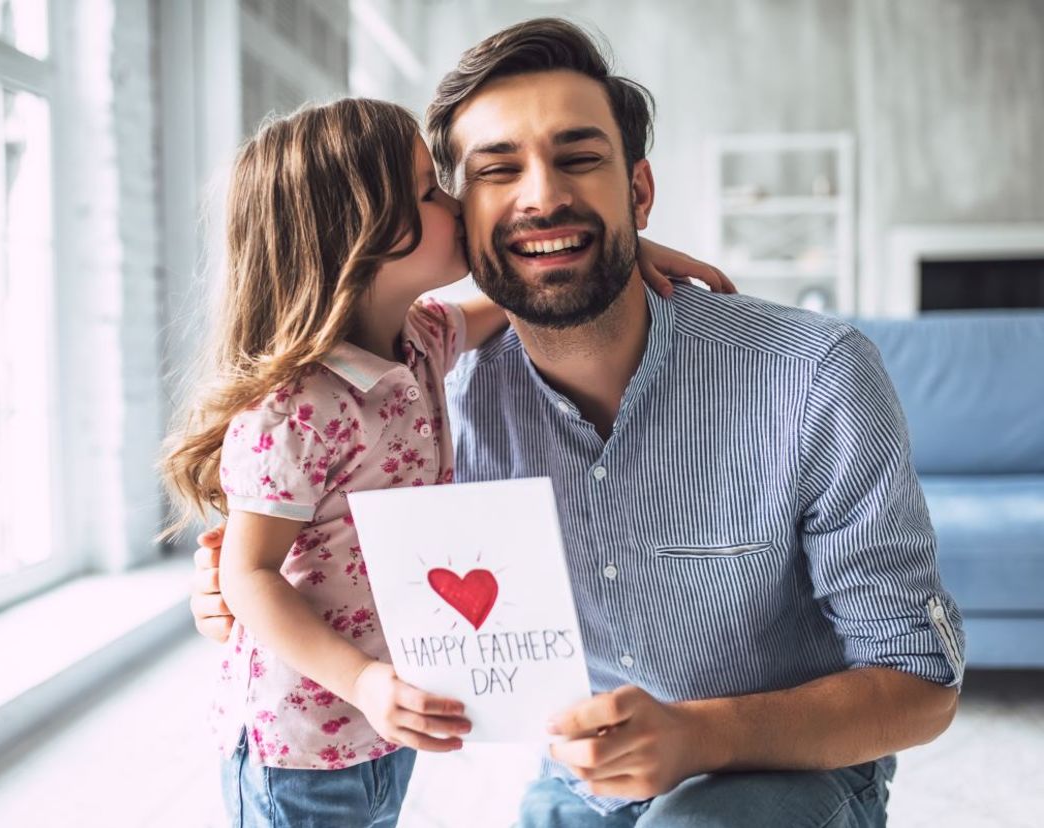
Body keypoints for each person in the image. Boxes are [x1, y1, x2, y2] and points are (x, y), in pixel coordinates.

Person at [163, 96, 732, 828]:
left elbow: (517, 300)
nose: (458, 201)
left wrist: (614, 255)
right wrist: (364, 682)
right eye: (431, 191)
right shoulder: (294, 410)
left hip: (384, 720)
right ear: (361, 235)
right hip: (298, 740)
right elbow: (247, 575)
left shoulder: (424, 338)